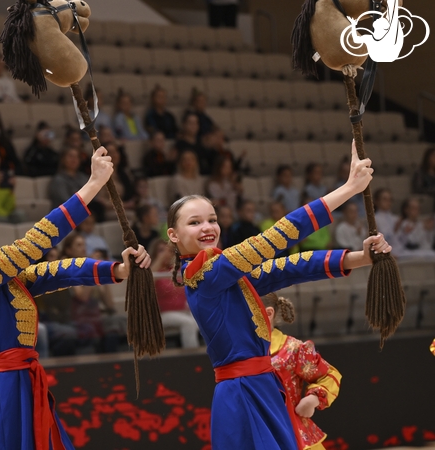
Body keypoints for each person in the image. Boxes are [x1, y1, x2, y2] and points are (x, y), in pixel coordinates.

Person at [165, 140, 390, 450]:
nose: (208, 227)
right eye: (195, 222)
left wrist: (359, 258)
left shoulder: (226, 274)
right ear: (173, 235)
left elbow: (289, 267)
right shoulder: (204, 276)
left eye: (212, 219)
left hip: (262, 387)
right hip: (243, 393)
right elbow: (275, 237)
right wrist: (348, 189)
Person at [0, 146, 151, 449]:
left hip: (24, 382)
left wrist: (119, 269)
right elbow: (35, 242)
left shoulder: (3, 277)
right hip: (3, 388)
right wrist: (93, 184)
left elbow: (59, 271)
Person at [262, 293, 342, 450]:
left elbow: (327, 375)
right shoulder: (236, 352)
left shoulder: (292, 349)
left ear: (268, 313)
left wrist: (313, 399)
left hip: (292, 434)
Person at [63, 233, 127, 353]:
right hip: (75, 319)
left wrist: (106, 273)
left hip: (95, 318)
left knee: (119, 323)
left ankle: (114, 362)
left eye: (84, 245)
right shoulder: (66, 269)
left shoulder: (88, 267)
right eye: (78, 245)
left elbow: (109, 305)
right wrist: (92, 271)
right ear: (69, 250)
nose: (83, 248)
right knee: (100, 328)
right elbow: (83, 297)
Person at [150, 239, 200, 348]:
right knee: (189, 323)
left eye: (168, 251)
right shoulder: (153, 272)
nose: (165, 254)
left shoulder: (176, 270)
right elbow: (147, 283)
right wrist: (160, 259)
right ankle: (193, 358)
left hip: (184, 311)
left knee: (205, 318)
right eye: (161, 250)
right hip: (162, 315)